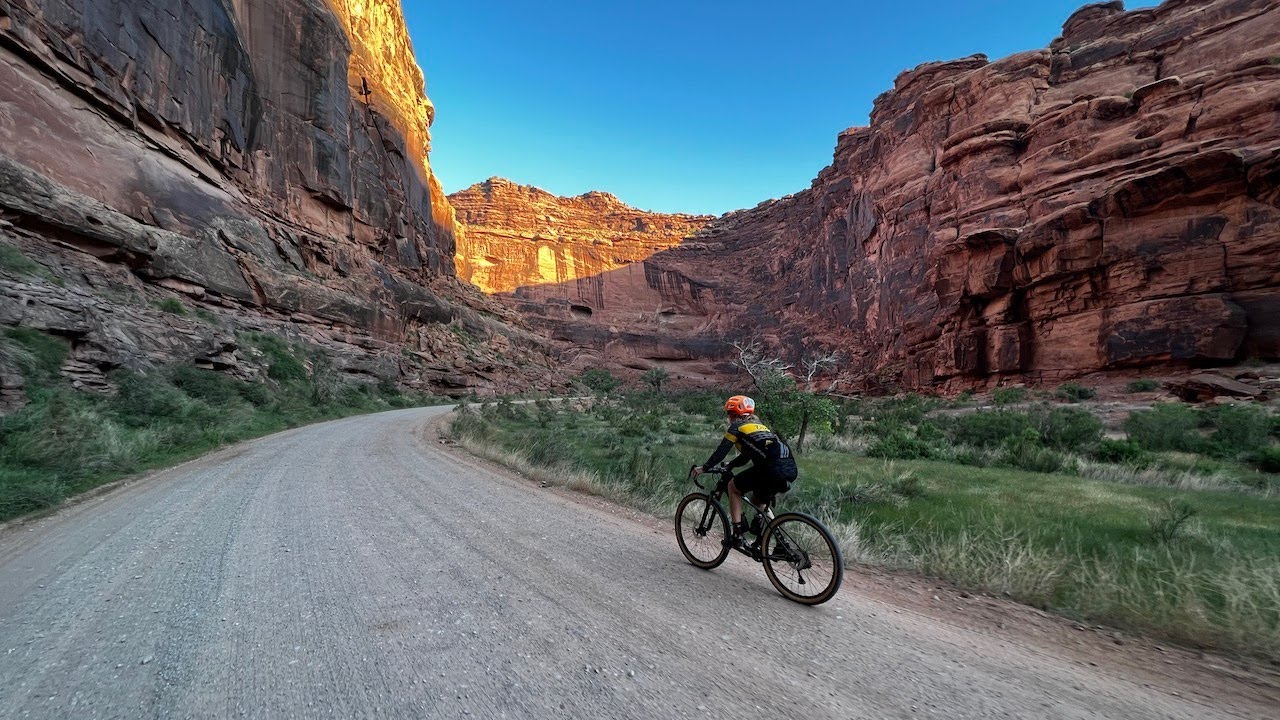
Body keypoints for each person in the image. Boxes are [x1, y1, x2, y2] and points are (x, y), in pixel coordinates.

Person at [691, 395, 797, 550]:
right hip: (790, 468)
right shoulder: (760, 426)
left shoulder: (737, 427)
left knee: (733, 487)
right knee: (758, 501)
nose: (728, 417)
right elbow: (747, 456)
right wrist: (731, 465)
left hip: (771, 469)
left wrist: (704, 468)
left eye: (728, 413)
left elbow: (721, 451)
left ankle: (737, 534)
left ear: (733, 414)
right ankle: (781, 543)